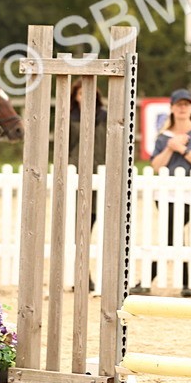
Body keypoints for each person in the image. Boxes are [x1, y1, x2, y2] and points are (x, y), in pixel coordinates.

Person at [141, 89, 191, 297]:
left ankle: (148, 280)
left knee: (170, 236)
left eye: (186, 104)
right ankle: (183, 284)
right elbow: (156, 165)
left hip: (189, 195)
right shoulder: (163, 137)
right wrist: (170, 147)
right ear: (172, 108)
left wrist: (183, 149)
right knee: (172, 235)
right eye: (179, 105)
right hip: (164, 195)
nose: (182, 108)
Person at [68, 82, 108, 293]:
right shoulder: (69, 117)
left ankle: (105, 277)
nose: (85, 96)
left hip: (102, 174)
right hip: (77, 176)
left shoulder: (106, 116)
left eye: (89, 92)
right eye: (81, 93)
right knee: (79, 230)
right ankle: (82, 275)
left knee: (104, 231)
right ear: (75, 96)